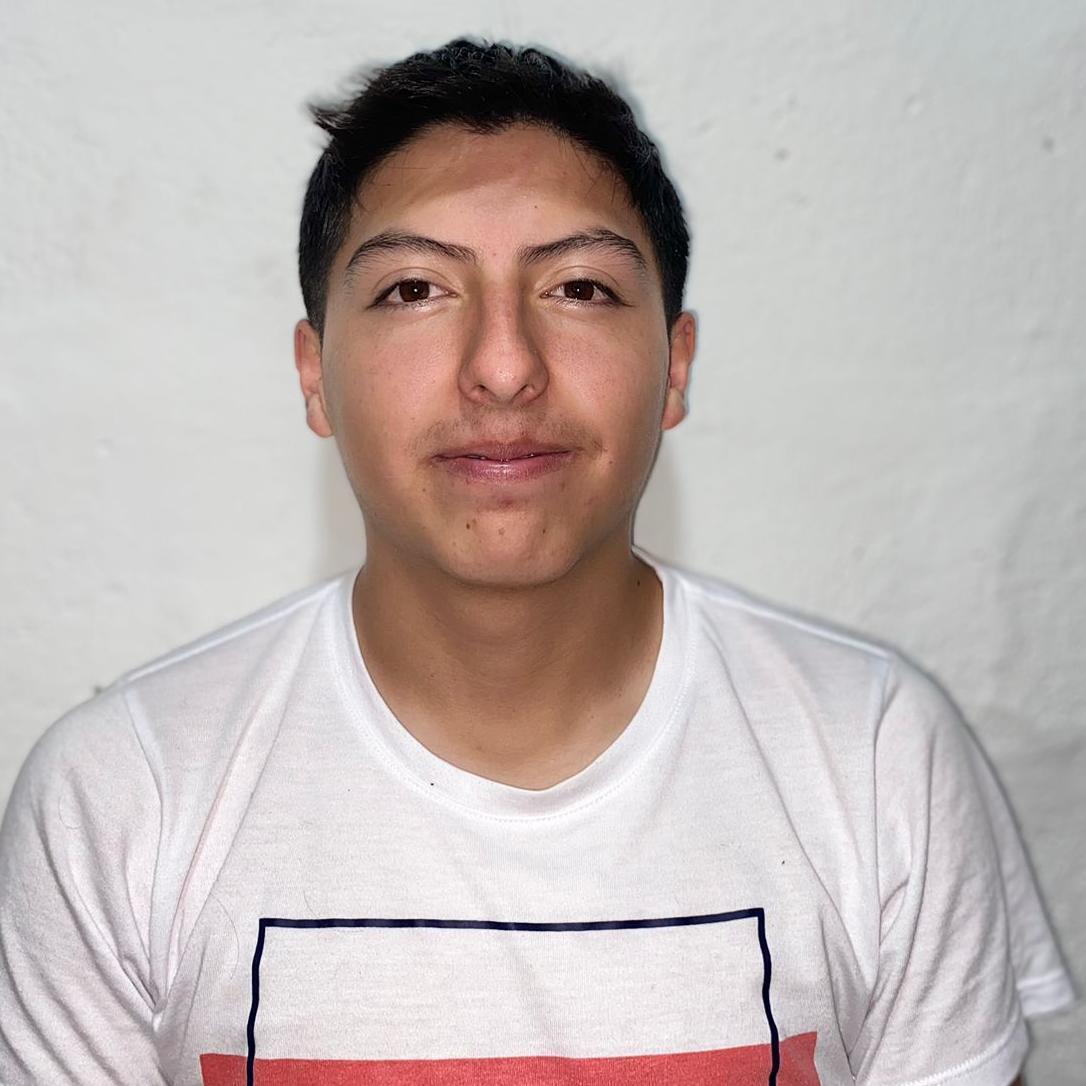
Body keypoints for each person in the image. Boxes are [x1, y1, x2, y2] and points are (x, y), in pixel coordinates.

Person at [0, 36, 1074, 1086]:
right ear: (315, 373)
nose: (505, 366)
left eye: (580, 288)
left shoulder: (875, 755)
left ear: (676, 367)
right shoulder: (126, 794)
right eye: (414, 289)